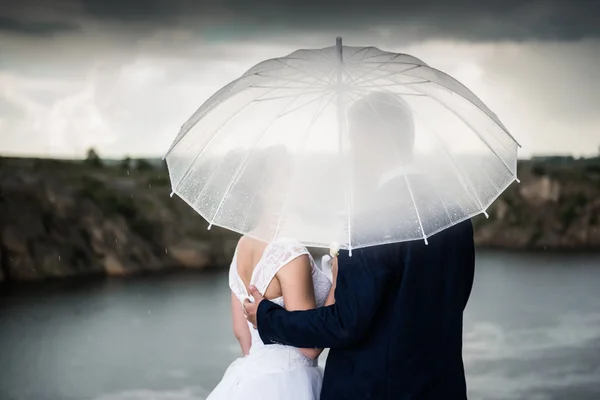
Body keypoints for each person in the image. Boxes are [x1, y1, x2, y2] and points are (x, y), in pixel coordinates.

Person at [244, 92, 476, 400]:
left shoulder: (372, 222)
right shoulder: (456, 217)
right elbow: (449, 301)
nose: (351, 152)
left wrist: (268, 318)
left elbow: (344, 324)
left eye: (355, 140)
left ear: (375, 142)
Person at [205, 147, 337, 400]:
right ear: (268, 190)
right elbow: (308, 348)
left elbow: (242, 334)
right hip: (291, 383)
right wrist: (335, 287)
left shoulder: (242, 245)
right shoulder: (289, 250)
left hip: (248, 382)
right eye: (291, 178)